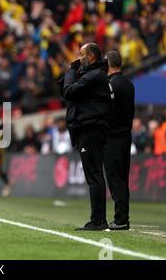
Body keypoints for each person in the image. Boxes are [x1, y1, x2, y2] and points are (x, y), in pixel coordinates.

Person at [61, 43, 112, 231]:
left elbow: (68, 92)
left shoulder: (94, 75)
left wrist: (70, 70)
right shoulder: (93, 75)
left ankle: (98, 220)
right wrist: (72, 73)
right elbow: (67, 91)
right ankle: (99, 219)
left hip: (90, 129)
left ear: (90, 57)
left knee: (94, 175)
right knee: (94, 174)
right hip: (88, 128)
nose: (77, 58)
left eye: (80, 54)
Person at [103, 50, 135, 230]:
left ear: (107, 64)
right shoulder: (129, 84)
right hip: (125, 134)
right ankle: (123, 216)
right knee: (122, 178)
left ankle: (121, 219)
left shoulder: (110, 85)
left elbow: (109, 111)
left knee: (115, 178)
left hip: (113, 136)